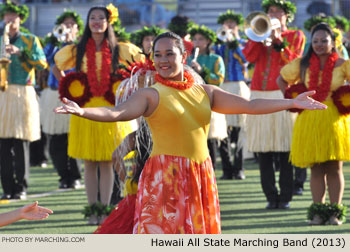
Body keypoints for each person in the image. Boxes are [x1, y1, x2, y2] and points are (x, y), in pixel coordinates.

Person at [55, 31, 326, 234]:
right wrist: (83, 111)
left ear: (183, 56)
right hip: (164, 175)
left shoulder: (205, 91)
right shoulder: (150, 94)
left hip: (199, 173)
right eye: (157, 55)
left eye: (169, 54)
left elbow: (250, 105)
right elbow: (117, 113)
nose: (162, 60)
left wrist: (291, 102)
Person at [53, 4, 144, 225]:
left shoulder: (119, 49)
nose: (96, 21)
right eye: (92, 17)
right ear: (88, 22)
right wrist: (67, 85)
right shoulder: (77, 49)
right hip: (85, 110)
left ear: (108, 22)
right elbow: (55, 65)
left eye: (100, 18)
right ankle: (91, 210)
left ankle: (105, 210)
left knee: (106, 162)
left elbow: (140, 65)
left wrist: (129, 88)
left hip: (110, 110)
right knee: (90, 163)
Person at [277, 23, 350, 225]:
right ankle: (318, 212)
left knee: (335, 167)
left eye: (324, 41)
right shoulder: (303, 64)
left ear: (333, 42)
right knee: (316, 168)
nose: (319, 44)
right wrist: (292, 96)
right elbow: (281, 78)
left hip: (334, 118)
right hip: (309, 118)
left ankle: (335, 213)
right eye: (315, 41)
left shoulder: (343, 64)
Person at [242, 0, 305, 210]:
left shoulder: (296, 36)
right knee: (264, 150)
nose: (274, 14)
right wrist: (260, 39)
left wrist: (278, 42)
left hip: (282, 93)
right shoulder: (258, 34)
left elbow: (293, 62)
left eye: (278, 11)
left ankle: (286, 196)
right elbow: (248, 56)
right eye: (270, 11)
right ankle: (270, 195)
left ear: (287, 16)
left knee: (285, 149)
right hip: (259, 93)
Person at [0, 1, 48, 200]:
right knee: (2, 144)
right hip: (2, 93)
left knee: (20, 143)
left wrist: (20, 53)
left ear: (20, 19)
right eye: (7, 16)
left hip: (23, 93)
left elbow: (42, 63)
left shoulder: (30, 39)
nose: (10, 20)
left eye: (14, 16)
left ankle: (21, 186)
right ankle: (7, 187)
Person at [40, 10, 84, 190]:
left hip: (76, 95)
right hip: (54, 93)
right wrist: (57, 43)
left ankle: (75, 176)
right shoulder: (53, 43)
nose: (67, 27)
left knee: (73, 137)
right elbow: (44, 60)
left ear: (77, 28)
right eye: (64, 24)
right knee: (56, 138)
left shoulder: (81, 45)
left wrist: (72, 43)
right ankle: (62, 175)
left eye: (71, 24)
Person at [214, 10, 251, 180]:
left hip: (238, 86)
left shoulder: (242, 43)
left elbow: (245, 59)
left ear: (237, 27)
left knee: (241, 129)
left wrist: (234, 41)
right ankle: (227, 169)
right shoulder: (218, 44)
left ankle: (239, 167)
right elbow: (215, 59)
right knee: (223, 131)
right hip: (223, 88)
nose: (228, 27)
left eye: (232, 24)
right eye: (226, 24)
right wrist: (221, 41)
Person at [187, 24, 227, 170]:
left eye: (201, 39)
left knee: (211, 140)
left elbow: (218, 80)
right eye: (195, 39)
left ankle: (212, 169)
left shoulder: (216, 59)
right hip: (191, 102)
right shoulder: (187, 59)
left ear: (208, 41)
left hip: (209, 101)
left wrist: (202, 71)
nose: (197, 42)